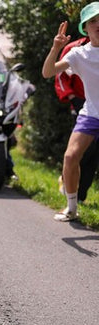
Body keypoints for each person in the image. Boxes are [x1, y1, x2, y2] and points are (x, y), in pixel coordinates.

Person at [42, 2, 99, 222]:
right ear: (86, 27)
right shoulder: (78, 54)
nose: (98, 24)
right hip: (91, 114)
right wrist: (56, 48)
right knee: (70, 156)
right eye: (93, 21)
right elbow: (48, 72)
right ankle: (72, 208)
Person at [54, 36, 99, 204]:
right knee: (81, 153)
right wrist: (71, 97)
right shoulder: (75, 49)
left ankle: (81, 196)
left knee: (93, 155)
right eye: (93, 20)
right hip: (82, 106)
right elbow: (59, 76)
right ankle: (70, 190)